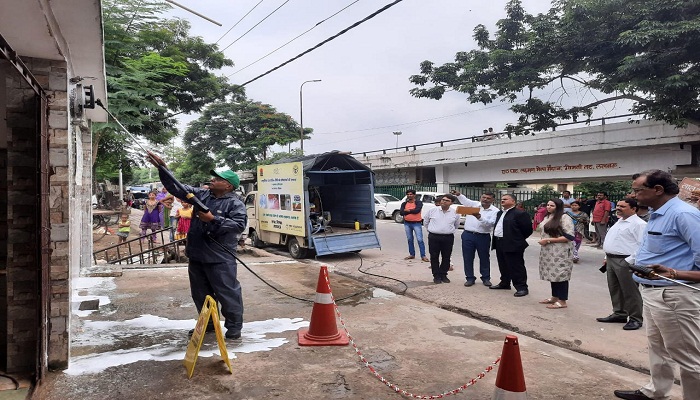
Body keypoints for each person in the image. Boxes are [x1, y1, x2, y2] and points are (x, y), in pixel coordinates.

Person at [613, 170, 700, 400]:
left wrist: (672, 272)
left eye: (638, 190)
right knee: (658, 347)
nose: (634, 195)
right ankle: (656, 391)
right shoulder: (656, 214)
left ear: (658, 190)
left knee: (688, 357)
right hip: (653, 292)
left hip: (674, 294)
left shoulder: (684, 215)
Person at [146, 151, 247, 340]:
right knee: (201, 294)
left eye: (217, 178)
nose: (212, 180)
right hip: (198, 255)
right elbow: (176, 188)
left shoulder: (235, 204)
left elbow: (238, 225)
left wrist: (213, 219)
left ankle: (234, 326)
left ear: (228, 185)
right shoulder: (202, 194)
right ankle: (208, 324)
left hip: (220, 258)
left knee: (227, 293)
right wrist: (162, 168)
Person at [597, 198, 646, 331]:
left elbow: (643, 245)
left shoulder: (639, 224)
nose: (618, 208)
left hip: (625, 260)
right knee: (615, 288)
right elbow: (613, 240)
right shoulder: (619, 221)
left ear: (633, 209)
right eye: (618, 206)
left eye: (622, 206)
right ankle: (619, 313)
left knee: (630, 291)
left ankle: (635, 318)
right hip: (612, 260)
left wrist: (628, 261)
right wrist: (607, 256)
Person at [490, 194, 534, 297]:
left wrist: (517, 239)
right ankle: (505, 283)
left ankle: (522, 287)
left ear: (513, 201)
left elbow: (527, 230)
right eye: (502, 199)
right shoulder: (500, 213)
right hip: (499, 242)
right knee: (503, 264)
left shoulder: (520, 213)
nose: (502, 200)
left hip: (513, 243)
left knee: (516, 266)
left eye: (505, 199)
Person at [452, 191, 498, 287]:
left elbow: (491, 224)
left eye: (488, 198)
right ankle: (469, 278)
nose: (485, 199)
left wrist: (480, 218)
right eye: (483, 197)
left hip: (483, 236)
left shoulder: (495, 211)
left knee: (484, 258)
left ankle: (486, 278)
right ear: (481, 197)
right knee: (468, 257)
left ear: (493, 200)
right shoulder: (474, 205)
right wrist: (458, 195)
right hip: (468, 235)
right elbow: (465, 201)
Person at [536, 198, 575, 309]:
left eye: (552, 206)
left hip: (560, 251)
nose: (548, 207)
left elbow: (569, 236)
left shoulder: (564, 217)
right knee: (553, 274)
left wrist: (549, 240)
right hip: (548, 251)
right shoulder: (548, 217)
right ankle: (555, 296)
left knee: (561, 274)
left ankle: (562, 301)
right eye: (548, 205)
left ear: (558, 207)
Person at [423, 194, 460, 284]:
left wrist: (447, 231)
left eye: (447, 200)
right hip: (434, 237)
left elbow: (456, 225)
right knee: (434, 256)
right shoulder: (432, 211)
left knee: (446, 257)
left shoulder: (455, 213)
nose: (444, 201)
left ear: (451, 203)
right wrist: (432, 230)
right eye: (443, 200)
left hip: (448, 237)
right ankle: (436, 276)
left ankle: (443, 274)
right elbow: (426, 222)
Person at [399, 190, 429, 262]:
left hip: (416, 223)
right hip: (407, 223)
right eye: (408, 194)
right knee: (410, 239)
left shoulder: (418, 202)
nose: (409, 195)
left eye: (411, 194)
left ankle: (423, 255)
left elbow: (417, 211)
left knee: (420, 240)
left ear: (414, 195)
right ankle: (412, 254)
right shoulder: (404, 203)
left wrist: (407, 211)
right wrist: (409, 211)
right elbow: (401, 212)